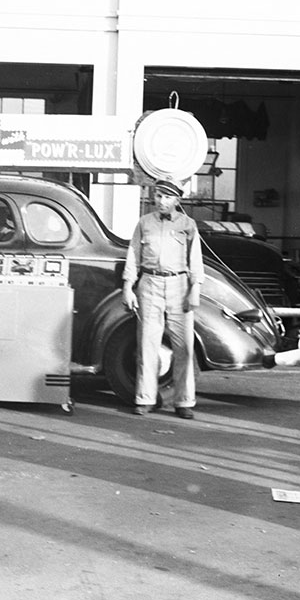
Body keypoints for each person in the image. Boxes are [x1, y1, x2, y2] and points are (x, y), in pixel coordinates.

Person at [121, 178, 205, 419]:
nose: (161, 201)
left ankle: (184, 401)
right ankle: (145, 398)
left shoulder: (188, 225)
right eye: (158, 196)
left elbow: (195, 258)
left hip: (179, 284)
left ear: (177, 200)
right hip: (149, 284)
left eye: (167, 197)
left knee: (183, 346)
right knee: (147, 343)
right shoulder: (144, 223)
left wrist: (195, 288)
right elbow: (133, 254)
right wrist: (128, 286)